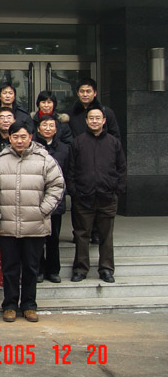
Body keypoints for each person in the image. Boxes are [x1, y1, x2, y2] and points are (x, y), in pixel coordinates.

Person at [0, 121, 65, 323]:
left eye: (23, 136)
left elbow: (57, 185)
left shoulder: (44, 159)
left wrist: (43, 210)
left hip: (35, 224)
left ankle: (29, 305)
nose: (19, 140)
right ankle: (9, 305)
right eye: (15, 136)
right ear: (9, 138)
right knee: (9, 268)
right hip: (7, 224)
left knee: (31, 268)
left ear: (31, 137)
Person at [67, 106, 126, 284]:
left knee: (106, 236)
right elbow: (71, 170)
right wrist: (74, 192)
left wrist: (117, 190)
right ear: (86, 121)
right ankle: (80, 269)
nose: (94, 121)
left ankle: (106, 269)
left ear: (104, 120)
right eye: (91, 118)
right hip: (83, 197)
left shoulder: (113, 142)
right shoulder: (77, 142)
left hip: (107, 197)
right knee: (82, 235)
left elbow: (122, 168)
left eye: (98, 118)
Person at [34, 114, 70, 284]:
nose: (48, 128)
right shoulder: (32, 146)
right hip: (36, 199)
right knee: (37, 239)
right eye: (44, 125)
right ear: (38, 128)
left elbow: (68, 172)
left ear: (56, 129)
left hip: (56, 200)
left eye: (51, 126)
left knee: (53, 239)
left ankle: (53, 270)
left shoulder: (64, 149)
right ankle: (39, 270)